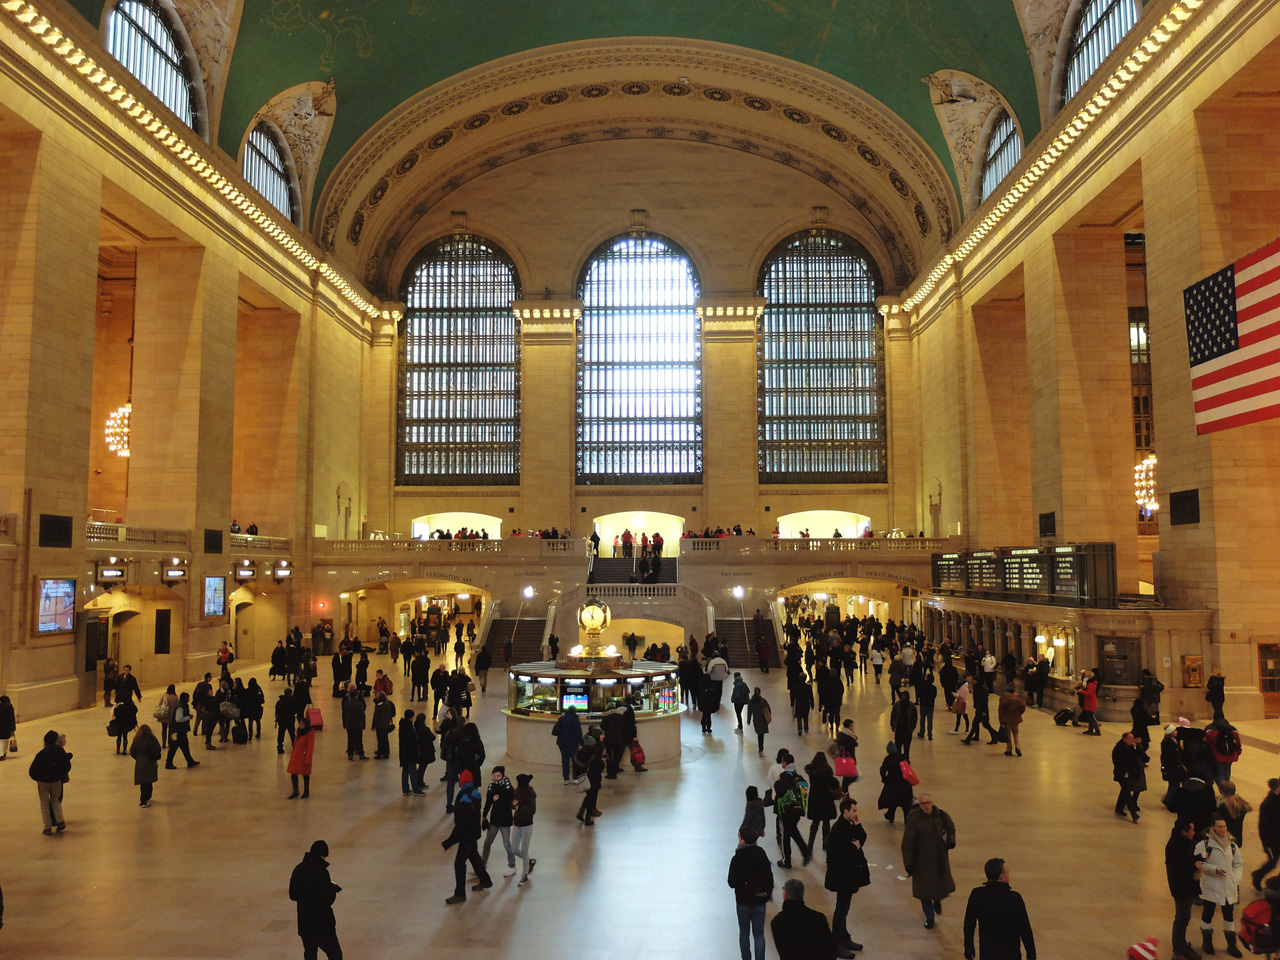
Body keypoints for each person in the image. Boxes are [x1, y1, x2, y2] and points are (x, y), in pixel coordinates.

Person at [901, 793, 957, 929]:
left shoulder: (941, 815)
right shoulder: (914, 820)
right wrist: (908, 863)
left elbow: (951, 829)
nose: (926, 806)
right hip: (921, 862)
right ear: (919, 805)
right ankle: (929, 917)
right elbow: (907, 843)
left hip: (938, 859)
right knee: (924, 892)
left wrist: (950, 842)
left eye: (928, 803)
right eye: (923, 804)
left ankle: (937, 899)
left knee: (938, 886)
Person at [962, 857, 1036, 960]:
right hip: (1011, 954)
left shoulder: (977, 895)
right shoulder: (1014, 898)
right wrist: (1031, 955)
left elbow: (969, 924)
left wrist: (968, 946)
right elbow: (1025, 929)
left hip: (988, 953)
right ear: (1002, 877)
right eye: (1007, 873)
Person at [825, 797, 870, 959]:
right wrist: (854, 847)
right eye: (854, 811)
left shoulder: (849, 825)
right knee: (841, 910)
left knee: (844, 909)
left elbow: (862, 838)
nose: (856, 813)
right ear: (846, 812)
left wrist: (858, 825)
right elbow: (835, 855)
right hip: (841, 877)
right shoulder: (838, 829)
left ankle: (844, 938)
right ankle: (836, 943)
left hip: (848, 876)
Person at [1196, 815, 1245, 957]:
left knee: (1228, 915)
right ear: (1212, 827)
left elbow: (1238, 864)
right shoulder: (1204, 845)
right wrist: (1214, 870)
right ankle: (1207, 942)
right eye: (1219, 826)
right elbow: (1199, 863)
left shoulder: (1232, 845)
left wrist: (1235, 879)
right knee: (1208, 912)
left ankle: (1231, 945)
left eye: (1224, 826)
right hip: (1211, 885)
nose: (1223, 829)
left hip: (1228, 886)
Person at [443, 769, 492, 903]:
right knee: (474, 857)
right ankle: (485, 880)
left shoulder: (465, 798)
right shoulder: (474, 793)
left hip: (467, 835)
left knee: (459, 863)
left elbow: (461, 824)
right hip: (473, 832)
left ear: (462, 781)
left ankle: (460, 894)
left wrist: (449, 842)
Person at [289, 840, 342, 960]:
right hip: (322, 926)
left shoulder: (298, 869)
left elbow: (293, 895)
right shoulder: (322, 873)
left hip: (305, 925)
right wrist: (332, 889)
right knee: (335, 955)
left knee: (310, 955)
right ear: (321, 856)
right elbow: (327, 900)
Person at [728, 826, 775, 960]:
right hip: (759, 900)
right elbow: (769, 878)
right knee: (759, 934)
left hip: (743, 901)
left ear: (742, 839)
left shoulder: (737, 858)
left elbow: (731, 882)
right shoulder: (761, 854)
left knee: (744, 932)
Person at [770, 878, 838, 960]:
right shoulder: (819, 918)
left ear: (785, 895)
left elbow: (785, 954)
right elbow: (831, 950)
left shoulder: (777, 922)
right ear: (802, 894)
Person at [1167, 819, 1205, 960]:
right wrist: (1195, 866)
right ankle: (1178, 949)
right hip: (1181, 887)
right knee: (1182, 918)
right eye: (1192, 830)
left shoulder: (1184, 843)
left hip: (1187, 886)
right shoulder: (1175, 846)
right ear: (1184, 831)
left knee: (1185, 917)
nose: (1194, 832)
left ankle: (1181, 944)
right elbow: (1178, 869)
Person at [29, 729, 71, 835]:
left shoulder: (42, 754)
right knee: (55, 801)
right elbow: (67, 766)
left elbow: (33, 770)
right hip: (57, 780)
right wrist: (60, 776)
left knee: (44, 804)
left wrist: (38, 779)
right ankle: (60, 821)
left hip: (43, 781)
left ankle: (47, 827)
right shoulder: (60, 751)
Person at [773, 763, 812, 869]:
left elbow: (779, 791)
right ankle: (805, 853)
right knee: (793, 831)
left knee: (786, 835)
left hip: (786, 811)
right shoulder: (799, 777)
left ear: (785, 763)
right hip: (797, 810)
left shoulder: (784, 776)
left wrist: (777, 781)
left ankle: (788, 861)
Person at [480, 765, 517, 876]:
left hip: (505, 821)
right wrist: (484, 815)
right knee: (487, 843)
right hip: (494, 821)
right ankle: (482, 865)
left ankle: (512, 866)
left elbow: (511, 804)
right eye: (494, 776)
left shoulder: (508, 788)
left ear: (502, 775)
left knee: (506, 844)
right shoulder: (491, 786)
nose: (496, 778)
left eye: (498, 776)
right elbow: (488, 802)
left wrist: (497, 800)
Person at [804, 752, 839, 853]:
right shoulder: (827, 770)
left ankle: (810, 845)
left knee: (815, 822)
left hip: (814, 799)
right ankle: (826, 844)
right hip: (826, 799)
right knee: (826, 822)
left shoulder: (811, 771)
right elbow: (833, 783)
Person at [1113, 731, 1149, 823]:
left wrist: (1136, 747)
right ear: (1125, 739)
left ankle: (1119, 807)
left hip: (1131, 774)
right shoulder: (1119, 748)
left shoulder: (1132, 747)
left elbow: (1144, 757)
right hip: (1122, 774)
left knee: (1125, 791)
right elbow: (1118, 762)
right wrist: (1128, 768)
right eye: (1130, 739)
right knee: (1127, 792)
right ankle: (1134, 814)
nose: (1132, 740)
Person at [1252, 779, 1280, 890]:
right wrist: (1266, 843)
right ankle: (1257, 876)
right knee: (1272, 863)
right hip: (1273, 841)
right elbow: (1263, 826)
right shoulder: (1268, 804)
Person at [878, 741, 913, 825]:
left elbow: (882, 770)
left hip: (893, 784)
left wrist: (884, 779)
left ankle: (890, 815)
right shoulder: (902, 757)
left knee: (893, 800)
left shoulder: (887, 759)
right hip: (905, 784)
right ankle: (906, 821)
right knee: (906, 804)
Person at [512, 773, 537, 887]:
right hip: (517, 823)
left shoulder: (530, 795)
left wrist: (519, 806)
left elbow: (532, 810)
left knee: (524, 850)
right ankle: (529, 861)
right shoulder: (516, 792)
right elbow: (512, 803)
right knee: (514, 849)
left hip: (527, 825)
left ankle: (525, 875)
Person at [129, 723, 162, 807]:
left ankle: (143, 799)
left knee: (143, 783)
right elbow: (158, 748)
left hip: (140, 764)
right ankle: (146, 798)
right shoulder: (152, 739)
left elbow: (132, 751)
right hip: (150, 762)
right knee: (149, 782)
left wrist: (138, 758)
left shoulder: (136, 740)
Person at [574, 738, 604, 826]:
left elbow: (575, 768)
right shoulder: (595, 754)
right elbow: (600, 766)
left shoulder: (578, 754)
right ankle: (587, 819)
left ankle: (581, 813)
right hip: (594, 779)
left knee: (588, 796)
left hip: (583, 778)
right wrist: (603, 762)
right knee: (591, 798)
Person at [164, 693, 199, 769]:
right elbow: (178, 719)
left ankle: (190, 761)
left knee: (185, 747)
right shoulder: (180, 707)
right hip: (176, 732)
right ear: (184, 699)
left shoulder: (181, 705)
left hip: (179, 731)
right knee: (173, 747)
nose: (188, 700)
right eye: (187, 698)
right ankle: (168, 763)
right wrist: (188, 717)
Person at [287, 716, 315, 799]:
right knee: (293, 773)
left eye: (302, 724)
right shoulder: (298, 732)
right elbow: (295, 744)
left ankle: (306, 791)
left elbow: (310, 747)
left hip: (304, 756)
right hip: (296, 756)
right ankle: (295, 791)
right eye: (300, 723)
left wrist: (308, 758)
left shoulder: (310, 734)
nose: (300, 725)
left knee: (305, 774)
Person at [398, 709, 422, 796]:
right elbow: (412, 741)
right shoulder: (408, 727)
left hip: (404, 753)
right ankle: (416, 789)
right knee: (413, 771)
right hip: (410, 753)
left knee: (405, 771)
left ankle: (405, 788)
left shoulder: (403, 725)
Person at [341, 683, 367, 760]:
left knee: (350, 739)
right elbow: (362, 715)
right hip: (358, 724)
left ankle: (350, 754)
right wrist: (364, 724)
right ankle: (361, 754)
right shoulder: (359, 704)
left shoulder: (346, 704)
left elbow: (344, 714)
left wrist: (344, 724)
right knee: (359, 739)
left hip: (349, 724)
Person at [997, 688, 1026, 757]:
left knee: (1008, 735)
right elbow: (1023, 708)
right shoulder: (1018, 698)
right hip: (1016, 719)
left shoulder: (1004, 697)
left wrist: (1001, 720)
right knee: (1016, 734)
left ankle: (1009, 749)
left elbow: (1001, 710)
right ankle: (1017, 747)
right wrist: (1019, 714)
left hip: (1007, 719)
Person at [890, 689, 917, 760]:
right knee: (898, 745)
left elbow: (914, 718)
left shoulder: (912, 706)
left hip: (907, 729)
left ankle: (906, 758)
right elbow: (893, 715)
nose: (903, 697)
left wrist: (912, 728)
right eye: (902, 696)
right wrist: (892, 725)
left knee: (906, 746)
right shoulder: (897, 705)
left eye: (904, 696)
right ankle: (898, 758)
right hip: (899, 728)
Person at [747, 687, 772, 756]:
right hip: (763, 720)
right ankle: (761, 749)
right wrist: (769, 717)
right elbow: (768, 709)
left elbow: (749, 712)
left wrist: (748, 720)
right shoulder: (763, 701)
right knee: (761, 735)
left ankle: (760, 748)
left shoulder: (751, 702)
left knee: (759, 734)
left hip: (756, 720)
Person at [371, 691, 395, 760]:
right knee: (385, 739)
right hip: (386, 724)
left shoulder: (378, 706)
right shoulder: (388, 704)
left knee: (380, 740)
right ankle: (386, 753)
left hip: (380, 725)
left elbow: (375, 717)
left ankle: (379, 753)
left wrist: (373, 726)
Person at [276, 687, 297, 755]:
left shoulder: (279, 702)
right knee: (292, 734)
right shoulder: (292, 701)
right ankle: (295, 747)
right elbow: (294, 710)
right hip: (290, 721)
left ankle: (279, 747)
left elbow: (277, 712)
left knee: (281, 734)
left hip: (281, 721)